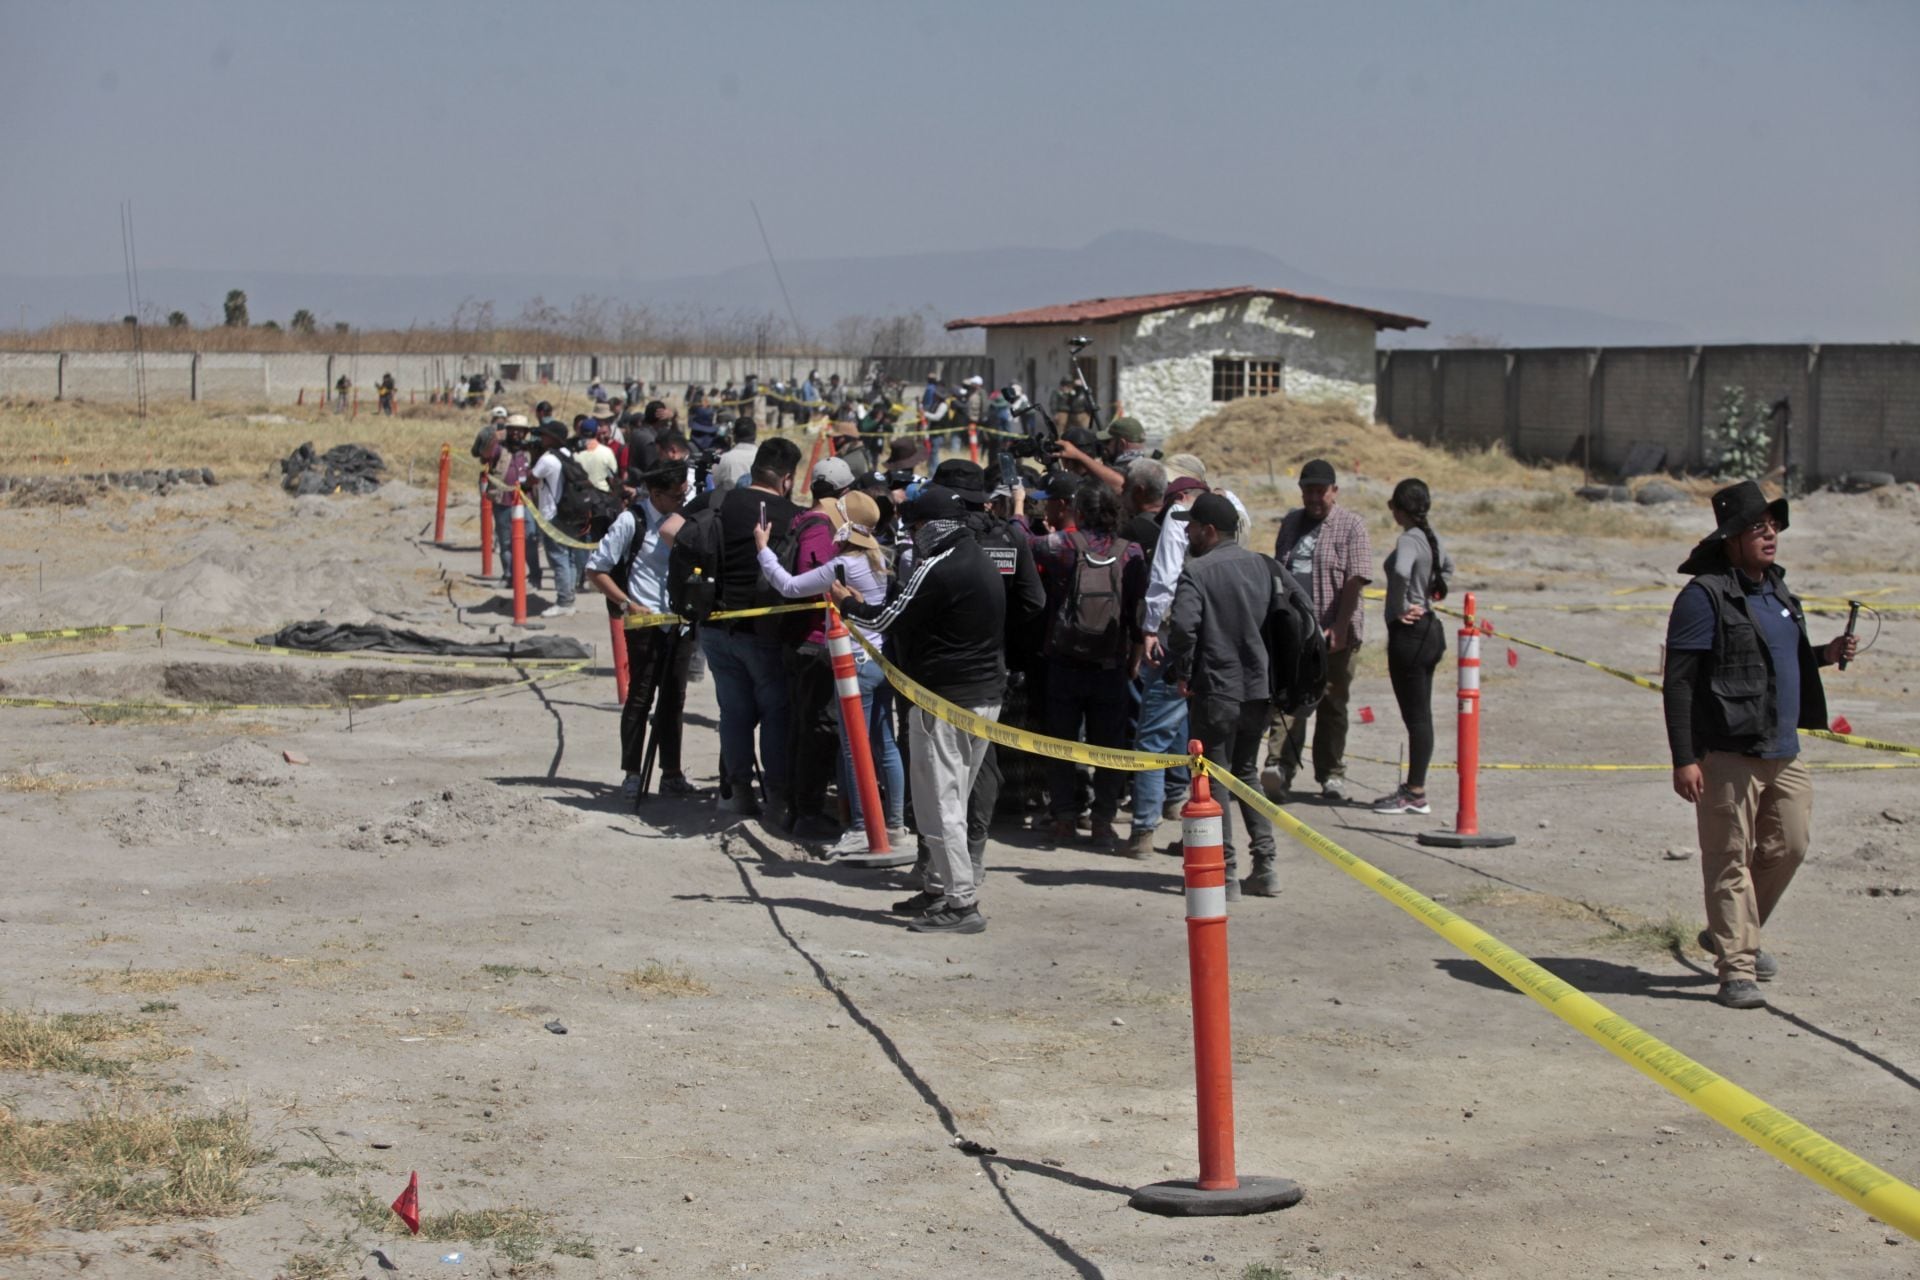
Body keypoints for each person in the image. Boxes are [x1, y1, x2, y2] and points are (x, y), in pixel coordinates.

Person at [1663, 480, 1857, 1010]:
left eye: (1772, 525)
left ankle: (1729, 933)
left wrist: (1825, 652)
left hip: (1784, 750)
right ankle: (1736, 967)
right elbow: (1678, 681)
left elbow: (1782, 660)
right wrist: (1684, 758)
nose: (1769, 534)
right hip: (1727, 751)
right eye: (1756, 527)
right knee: (1728, 859)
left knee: (1788, 847)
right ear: (1731, 538)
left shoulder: (1777, 591)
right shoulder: (1704, 596)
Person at [833, 485, 1007, 934]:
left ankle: (961, 902)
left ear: (930, 526)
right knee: (951, 798)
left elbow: (883, 619)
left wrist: (847, 602)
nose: (911, 536)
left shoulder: (939, 565)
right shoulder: (980, 558)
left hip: (944, 702)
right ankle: (937, 886)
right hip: (983, 697)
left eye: (914, 527)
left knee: (940, 802)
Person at [755, 487, 906, 856]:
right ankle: (896, 823)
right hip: (880, 660)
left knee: (853, 748)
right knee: (885, 744)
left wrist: (763, 548)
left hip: (853, 663)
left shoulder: (843, 565)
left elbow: (790, 586)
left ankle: (860, 827)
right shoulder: (879, 559)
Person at [1021, 479, 1146, 851]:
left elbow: (1022, 544)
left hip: (1064, 661)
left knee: (1061, 743)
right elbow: (1139, 614)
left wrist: (1016, 510)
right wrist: (1134, 660)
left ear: (1078, 511)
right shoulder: (1131, 552)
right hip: (1111, 665)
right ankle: (1104, 822)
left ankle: (1063, 818)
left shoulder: (1060, 547)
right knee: (1109, 747)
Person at [1164, 494, 1278, 900]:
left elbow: (1182, 629)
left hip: (1216, 690)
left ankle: (1225, 874)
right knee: (1246, 773)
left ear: (1209, 531)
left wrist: (1182, 671)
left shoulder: (1197, 572)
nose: (1187, 533)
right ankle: (1265, 867)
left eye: (1191, 526)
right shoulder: (1262, 566)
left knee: (1214, 782)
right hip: (1258, 690)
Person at [687, 438, 804, 819]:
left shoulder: (719, 502)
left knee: (733, 712)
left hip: (717, 627)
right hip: (765, 630)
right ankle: (778, 793)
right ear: (786, 479)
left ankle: (739, 792)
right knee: (775, 712)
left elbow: (673, 528)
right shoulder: (790, 514)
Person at [585, 465, 698, 803]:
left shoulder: (687, 514)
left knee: (674, 700)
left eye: (684, 494)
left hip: (680, 623)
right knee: (640, 697)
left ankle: (672, 773)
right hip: (645, 624)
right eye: (676, 496)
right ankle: (633, 773)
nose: (682, 500)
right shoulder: (631, 521)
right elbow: (596, 569)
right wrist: (627, 603)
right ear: (656, 494)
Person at [1265, 458, 1371, 803]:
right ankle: (1278, 768)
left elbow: (1355, 579)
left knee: (1332, 705)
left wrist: (1339, 627)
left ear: (1334, 491)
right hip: (1296, 634)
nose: (1314, 498)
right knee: (1288, 700)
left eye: (1320, 491)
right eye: (1308, 490)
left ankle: (1331, 774)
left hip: (1336, 634)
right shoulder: (1292, 523)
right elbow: (1280, 572)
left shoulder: (1351, 526)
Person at [1371, 479, 1455, 816]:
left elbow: (1403, 571)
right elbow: (1447, 570)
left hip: (1411, 634)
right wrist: (1431, 595)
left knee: (1417, 718)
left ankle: (1415, 792)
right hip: (1431, 629)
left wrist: (1404, 604)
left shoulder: (1409, 540)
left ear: (1400, 509)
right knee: (1422, 716)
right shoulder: (1431, 539)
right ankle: (1413, 788)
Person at [529, 422, 582, 617]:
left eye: (544, 435)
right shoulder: (567, 454)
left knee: (558, 558)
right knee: (569, 559)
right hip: (569, 514)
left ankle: (564, 602)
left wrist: (534, 459)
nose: (541, 439)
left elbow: (531, 479)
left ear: (552, 438)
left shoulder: (548, 459)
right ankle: (570, 597)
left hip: (551, 515)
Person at [494, 415, 542, 592]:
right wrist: (494, 436)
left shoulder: (531, 451)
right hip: (503, 501)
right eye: (512, 429)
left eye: (519, 430)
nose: (515, 433)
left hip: (526, 503)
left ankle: (535, 577)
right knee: (505, 541)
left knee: (530, 541)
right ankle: (509, 576)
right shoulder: (499, 449)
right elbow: (482, 452)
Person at [709, 417, 760, 492]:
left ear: (734, 436)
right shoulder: (764, 458)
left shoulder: (723, 459)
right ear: (755, 435)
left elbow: (715, 483)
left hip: (730, 501)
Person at [574, 417, 619, 494]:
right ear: (597, 432)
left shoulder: (574, 454)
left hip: (581, 497)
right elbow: (613, 478)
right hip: (603, 497)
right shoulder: (607, 452)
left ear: (580, 432)